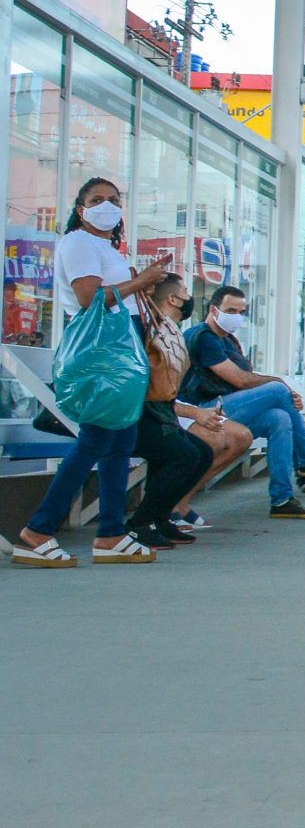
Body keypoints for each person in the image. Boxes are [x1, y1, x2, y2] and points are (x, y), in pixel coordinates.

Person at [12, 179, 169, 567]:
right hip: (103, 352)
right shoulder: (79, 242)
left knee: (119, 441)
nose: (107, 206)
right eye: (96, 200)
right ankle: (38, 531)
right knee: (97, 439)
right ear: (80, 209)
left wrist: (137, 283)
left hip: (118, 348)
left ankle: (112, 532)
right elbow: (90, 298)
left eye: (114, 200)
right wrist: (141, 281)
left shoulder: (102, 246)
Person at [182, 282, 305, 516]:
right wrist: (284, 388)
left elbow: (243, 382)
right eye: (230, 311)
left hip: (224, 408)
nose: (237, 317)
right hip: (201, 411)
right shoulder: (204, 338)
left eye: (241, 312)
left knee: (279, 418)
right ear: (213, 310)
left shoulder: (226, 339)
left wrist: (286, 398)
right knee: (277, 390)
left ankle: (282, 499)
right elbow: (239, 380)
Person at [131, 274, 254, 546]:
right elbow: (149, 392)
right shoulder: (148, 331)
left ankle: (160, 518)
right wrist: (195, 413)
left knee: (196, 452)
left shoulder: (168, 330)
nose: (189, 297)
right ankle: (140, 522)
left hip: (159, 416)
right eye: (186, 291)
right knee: (185, 454)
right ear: (173, 299)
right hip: (137, 417)